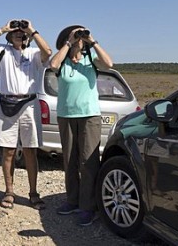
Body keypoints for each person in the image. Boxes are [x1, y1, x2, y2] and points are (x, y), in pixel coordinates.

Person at [0, 20, 51, 209]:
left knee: (30, 150)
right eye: (16, 32)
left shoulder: (34, 53)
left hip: (29, 103)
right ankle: (9, 191)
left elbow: (48, 52)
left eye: (22, 32)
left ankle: (33, 193)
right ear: (10, 37)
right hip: (6, 103)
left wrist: (32, 29)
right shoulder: (3, 51)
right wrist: (3, 29)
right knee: (8, 151)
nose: (19, 33)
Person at [49, 25, 113, 226]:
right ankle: (72, 200)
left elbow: (109, 64)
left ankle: (88, 206)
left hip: (89, 116)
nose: (79, 38)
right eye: (76, 34)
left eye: (81, 35)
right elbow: (53, 64)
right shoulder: (63, 61)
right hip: (66, 116)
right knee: (69, 160)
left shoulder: (90, 60)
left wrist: (92, 41)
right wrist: (69, 42)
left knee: (88, 161)